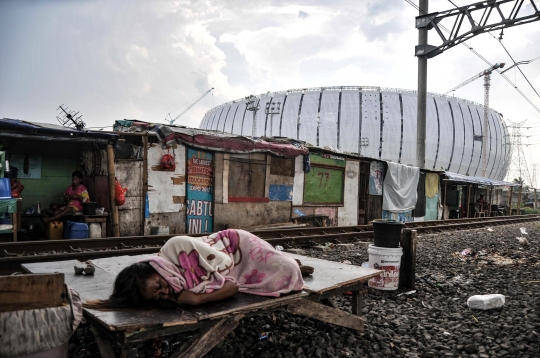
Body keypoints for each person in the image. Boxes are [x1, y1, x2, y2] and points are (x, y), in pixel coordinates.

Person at [85, 229, 313, 309]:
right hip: (234, 271)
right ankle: (282, 261)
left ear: (152, 268)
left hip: (235, 247)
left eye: (159, 285)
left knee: (291, 271)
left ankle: (289, 262)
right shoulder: (172, 289)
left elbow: (228, 276)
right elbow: (230, 285)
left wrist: (198, 300)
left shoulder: (176, 247)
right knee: (285, 274)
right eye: (158, 296)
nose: (165, 292)